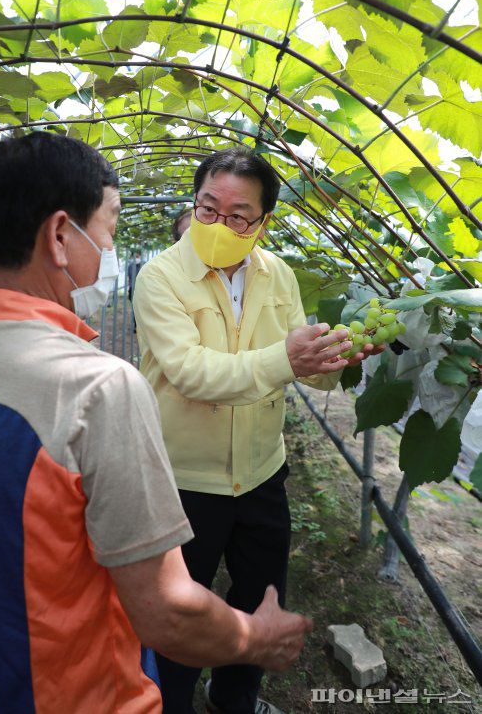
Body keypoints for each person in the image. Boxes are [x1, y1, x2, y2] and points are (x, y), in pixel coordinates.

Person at [0, 132, 313, 714]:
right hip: (76, 695)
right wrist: (258, 638)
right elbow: (166, 610)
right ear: (58, 235)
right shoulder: (96, 389)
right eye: (111, 225)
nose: (111, 246)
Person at [134, 147, 379, 714]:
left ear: (263, 221)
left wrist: (339, 358)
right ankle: (172, 702)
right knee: (184, 608)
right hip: (184, 481)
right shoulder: (161, 276)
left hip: (263, 472)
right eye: (208, 208)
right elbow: (191, 373)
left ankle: (235, 697)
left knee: (261, 596)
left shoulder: (278, 275)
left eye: (240, 215)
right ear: (194, 205)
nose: (221, 224)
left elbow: (305, 367)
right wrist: (287, 360)